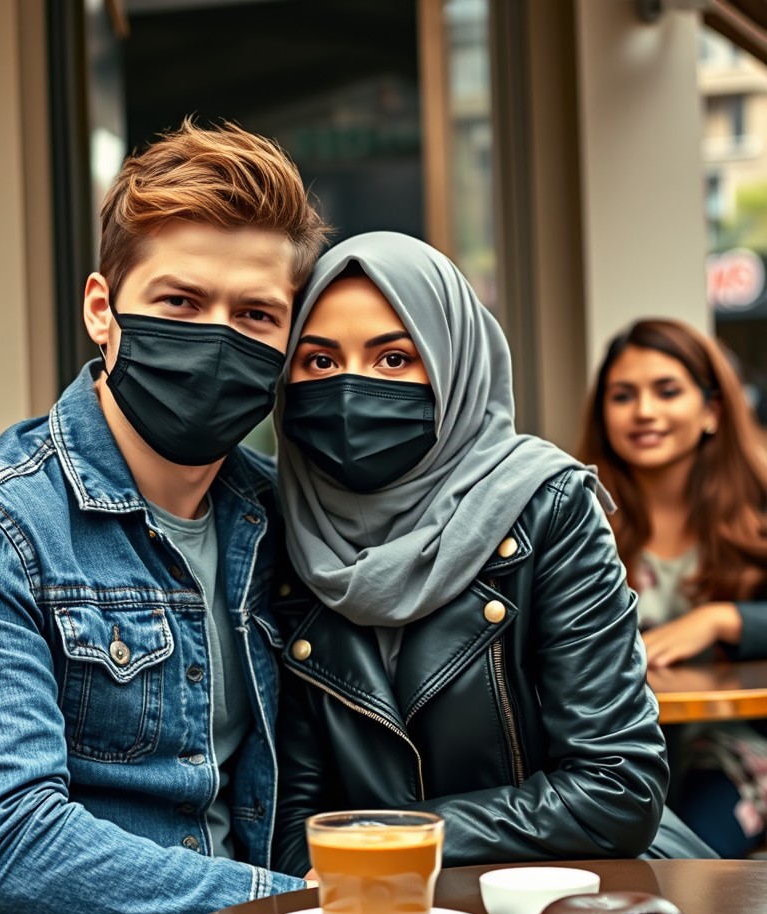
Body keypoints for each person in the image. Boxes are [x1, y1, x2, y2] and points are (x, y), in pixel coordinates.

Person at [0, 120, 329, 914]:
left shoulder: (282, 519)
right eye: (179, 302)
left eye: (255, 316)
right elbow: (6, 842)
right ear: (101, 309)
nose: (216, 337)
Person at [271, 232, 713, 877]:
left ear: (453, 366)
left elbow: (617, 787)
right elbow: (290, 819)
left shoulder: (547, 507)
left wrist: (397, 840)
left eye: (394, 358)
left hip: (570, 902)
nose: (350, 390)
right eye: (319, 361)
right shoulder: (281, 526)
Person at [578, 318, 767, 857]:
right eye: (623, 395)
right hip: (608, 757)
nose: (644, 412)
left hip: (734, 752)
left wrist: (722, 619)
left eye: (667, 391)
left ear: (712, 410)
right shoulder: (570, 514)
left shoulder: (761, 507)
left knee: (691, 872)